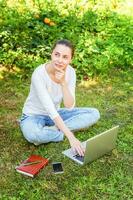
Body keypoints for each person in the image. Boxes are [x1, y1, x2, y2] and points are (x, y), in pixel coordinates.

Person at [20, 39, 100, 156]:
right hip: (33, 116)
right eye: (57, 55)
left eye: (65, 57)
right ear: (51, 54)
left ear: (70, 59)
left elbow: (69, 106)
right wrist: (71, 138)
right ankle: (60, 130)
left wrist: (63, 83)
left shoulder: (71, 72)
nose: (59, 60)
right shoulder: (39, 74)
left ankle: (54, 130)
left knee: (94, 113)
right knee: (33, 135)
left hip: (55, 115)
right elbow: (49, 109)